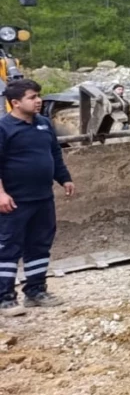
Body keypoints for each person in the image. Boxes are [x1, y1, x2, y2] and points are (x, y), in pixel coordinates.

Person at [0, 79, 75, 317]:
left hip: (43, 198)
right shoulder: (3, 128)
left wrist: (64, 178)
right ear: (15, 103)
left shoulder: (43, 124)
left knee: (40, 244)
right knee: (8, 247)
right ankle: (5, 298)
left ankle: (35, 291)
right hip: (14, 200)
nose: (38, 100)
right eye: (32, 97)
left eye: (38, 96)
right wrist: (0, 194)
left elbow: (54, 153)